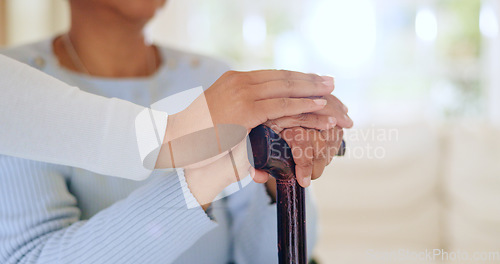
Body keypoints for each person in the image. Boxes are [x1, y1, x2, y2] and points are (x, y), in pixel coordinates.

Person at [0, 1, 351, 264]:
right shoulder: (17, 90)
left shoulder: (215, 77)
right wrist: (210, 175)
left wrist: (280, 170)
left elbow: (265, 256)